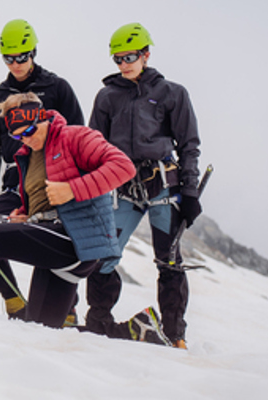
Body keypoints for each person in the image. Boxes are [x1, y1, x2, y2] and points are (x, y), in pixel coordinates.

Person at [0, 93, 137, 330]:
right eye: (17, 135)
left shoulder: (76, 136)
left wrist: (72, 189)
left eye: (29, 132)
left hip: (76, 240)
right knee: (39, 330)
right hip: (57, 245)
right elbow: (43, 201)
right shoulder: (27, 156)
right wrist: (24, 213)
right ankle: (137, 331)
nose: (25, 139)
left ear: (42, 118)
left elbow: (124, 167)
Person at [83, 23, 203, 348]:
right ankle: (98, 323)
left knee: (169, 259)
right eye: (118, 59)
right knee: (104, 255)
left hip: (164, 188)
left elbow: (189, 145)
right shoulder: (107, 97)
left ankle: (175, 334)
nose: (124, 64)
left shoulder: (172, 93)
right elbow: (94, 147)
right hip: (124, 190)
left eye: (130, 56)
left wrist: (190, 192)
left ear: (146, 54)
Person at [0, 19, 85, 319]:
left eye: (21, 57)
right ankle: (13, 299)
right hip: (16, 181)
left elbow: (79, 134)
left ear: (33, 52)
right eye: (9, 59)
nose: (16, 64)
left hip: (56, 180)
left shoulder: (58, 88)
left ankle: (67, 308)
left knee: (59, 237)